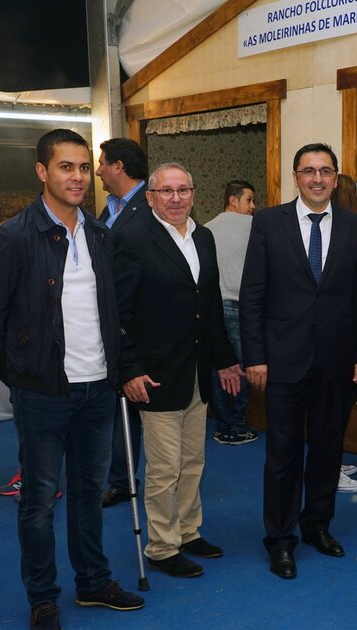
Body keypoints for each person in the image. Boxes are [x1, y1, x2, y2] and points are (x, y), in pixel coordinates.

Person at [0, 128, 144, 630]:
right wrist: (25, 379)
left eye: (83, 167)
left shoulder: (99, 235)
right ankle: (43, 598)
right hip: (43, 393)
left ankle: (92, 582)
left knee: (89, 494)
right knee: (39, 500)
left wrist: (114, 371)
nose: (77, 177)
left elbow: (112, 313)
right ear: (42, 171)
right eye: (65, 167)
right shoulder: (12, 237)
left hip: (98, 389)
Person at [239, 142, 357, 580]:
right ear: (295, 177)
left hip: (336, 360)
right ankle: (280, 540)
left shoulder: (354, 225)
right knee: (282, 454)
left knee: (327, 450)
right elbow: (253, 294)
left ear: (335, 178)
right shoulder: (267, 222)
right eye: (309, 171)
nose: (317, 178)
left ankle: (317, 525)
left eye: (325, 171)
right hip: (282, 360)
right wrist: (255, 356)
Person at [115, 162, 243, 578]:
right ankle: (161, 546)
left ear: (193, 194)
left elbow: (209, 305)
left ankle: (188, 531)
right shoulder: (132, 239)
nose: (175, 199)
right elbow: (118, 313)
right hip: (155, 374)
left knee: (193, 461)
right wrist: (128, 369)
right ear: (151, 197)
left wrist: (225, 359)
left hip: (197, 370)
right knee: (164, 467)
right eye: (166, 191)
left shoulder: (203, 237)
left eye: (183, 190)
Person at [95, 137, 149, 509]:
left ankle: (148, 478)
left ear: (118, 166)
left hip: (144, 324)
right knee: (121, 409)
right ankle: (122, 477)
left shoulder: (152, 204)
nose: (98, 171)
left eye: (101, 163)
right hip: (113, 322)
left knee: (148, 410)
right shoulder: (108, 209)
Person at [205, 179, 259, 447]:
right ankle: (236, 427)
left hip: (213, 308)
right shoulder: (254, 227)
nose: (253, 206)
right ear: (233, 200)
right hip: (240, 308)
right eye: (249, 200)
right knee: (243, 369)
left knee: (218, 369)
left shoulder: (205, 229)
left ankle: (222, 425)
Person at [328, 173, 357, 495]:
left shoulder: (353, 234)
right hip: (344, 337)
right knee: (336, 409)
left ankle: (332, 461)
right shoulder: (348, 235)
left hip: (345, 335)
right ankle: (330, 467)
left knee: (337, 407)